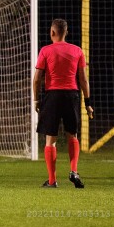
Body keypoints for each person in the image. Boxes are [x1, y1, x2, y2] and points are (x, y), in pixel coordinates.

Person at [32, 18, 93, 188]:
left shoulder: (45, 50)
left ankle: (52, 181)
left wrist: (37, 100)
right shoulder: (77, 51)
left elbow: (37, 80)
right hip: (71, 95)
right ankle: (74, 171)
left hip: (52, 96)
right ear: (66, 32)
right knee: (72, 135)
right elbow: (84, 80)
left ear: (52, 32)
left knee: (50, 140)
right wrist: (87, 103)